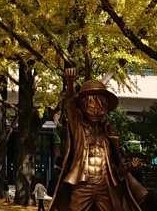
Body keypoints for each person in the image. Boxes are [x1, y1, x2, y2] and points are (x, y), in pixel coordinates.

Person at [51, 68, 146, 211]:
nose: (96, 110)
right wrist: (70, 82)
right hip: (83, 184)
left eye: (100, 106)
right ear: (83, 106)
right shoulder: (78, 128)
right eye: (92, 106)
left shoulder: (109, 135)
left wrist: (131, 166)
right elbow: (70, 104)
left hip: (105, 185)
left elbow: (117, 167)